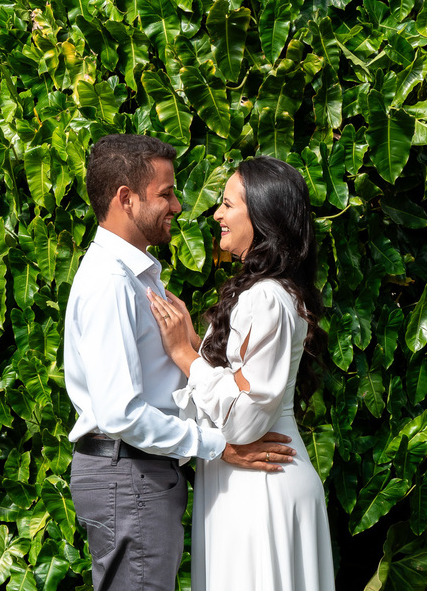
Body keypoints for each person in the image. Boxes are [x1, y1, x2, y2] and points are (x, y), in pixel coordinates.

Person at [64, 134, 298, 591]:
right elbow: (120, 412)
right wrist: (217, 446)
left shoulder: (137, 275)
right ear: (126, 199)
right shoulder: (112, 283)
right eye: (166, 193)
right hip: (127, 474)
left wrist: (190, 348)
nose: (178, 205)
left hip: (137, 474)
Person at [146, 156, 335, 591]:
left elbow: (245, 420)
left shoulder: (266, 298)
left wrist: (183, 355)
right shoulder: (265, 292)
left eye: (227, 204)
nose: (216, 214)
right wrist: (197, 345)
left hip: (261, 486)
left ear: (262, 215)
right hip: (250, 482)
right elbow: (238, 384)